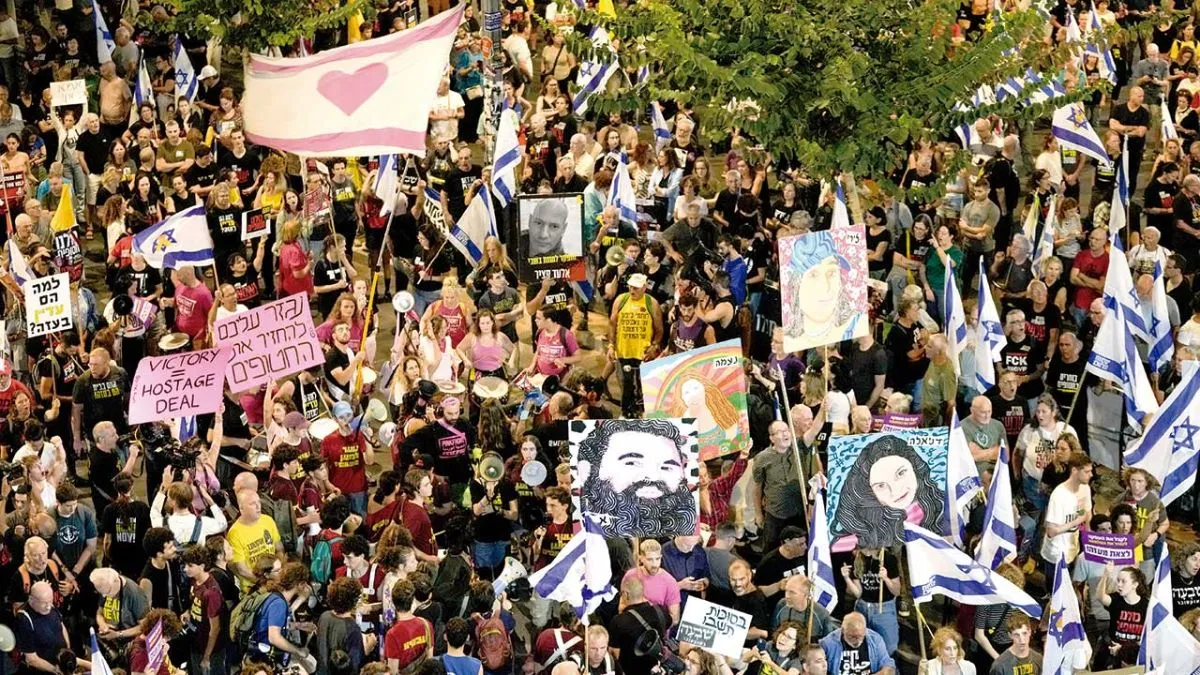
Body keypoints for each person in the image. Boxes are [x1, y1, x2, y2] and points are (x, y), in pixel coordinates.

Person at [575, 418, 698, 537]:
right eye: (632, 463)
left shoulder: (686, 529)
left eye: (666, 467)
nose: (653, 477)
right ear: (592, 470)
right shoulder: (580, 540)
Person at [830, 434, 946, 549]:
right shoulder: (851, 540)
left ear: (915, 469)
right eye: (881, 486)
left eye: (900, 473)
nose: (895, 490)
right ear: (868, 492)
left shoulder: (941, 508)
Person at [819, 612, 896, 675]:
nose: (857, 640)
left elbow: (889, 666)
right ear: (842, 630)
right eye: (852, 636)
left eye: (860, 636)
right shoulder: (828, 643)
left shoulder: (875, 639)